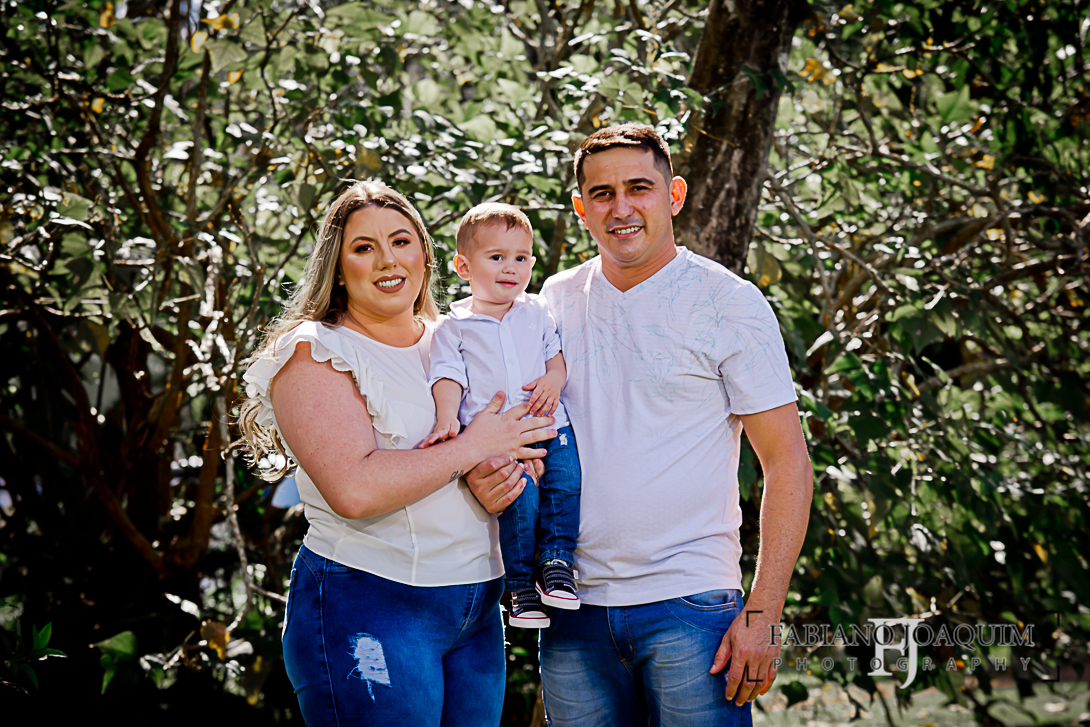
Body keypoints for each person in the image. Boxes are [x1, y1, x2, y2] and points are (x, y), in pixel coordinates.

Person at [466, 124, 814, 726]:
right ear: (581, 209)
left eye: (639, 188)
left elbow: (787, 464)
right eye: (602, 194)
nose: (621, 208)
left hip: (691, 604)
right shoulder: (552, 300)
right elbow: (505, 413)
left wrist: (763, 613)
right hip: (571, 606)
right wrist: (484, 472)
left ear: (673, 195)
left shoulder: (728, 303)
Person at [237, 180, 556, 726]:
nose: (388, 260)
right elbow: (354, 490)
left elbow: (501, 440)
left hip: (477, 607)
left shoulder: (456, 337)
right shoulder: (315, 351)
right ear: (338, 269)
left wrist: (498, 474)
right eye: (364, 248)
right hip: (371, 602)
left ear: (425, 256)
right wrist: (473, 449)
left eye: (401, 241)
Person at [421, 203, 582, 629]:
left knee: (566, 484)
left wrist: (554, 380)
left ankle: (557, 563)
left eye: (521, 258)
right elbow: (447, 375)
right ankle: (521, 587)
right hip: (498, 441)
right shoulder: (454, 326)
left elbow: (555, 358)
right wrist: (447, 418)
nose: (512, 267)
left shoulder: (537, 311)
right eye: (497, 257)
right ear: (463, 267)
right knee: (520, 501)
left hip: (551, 425)